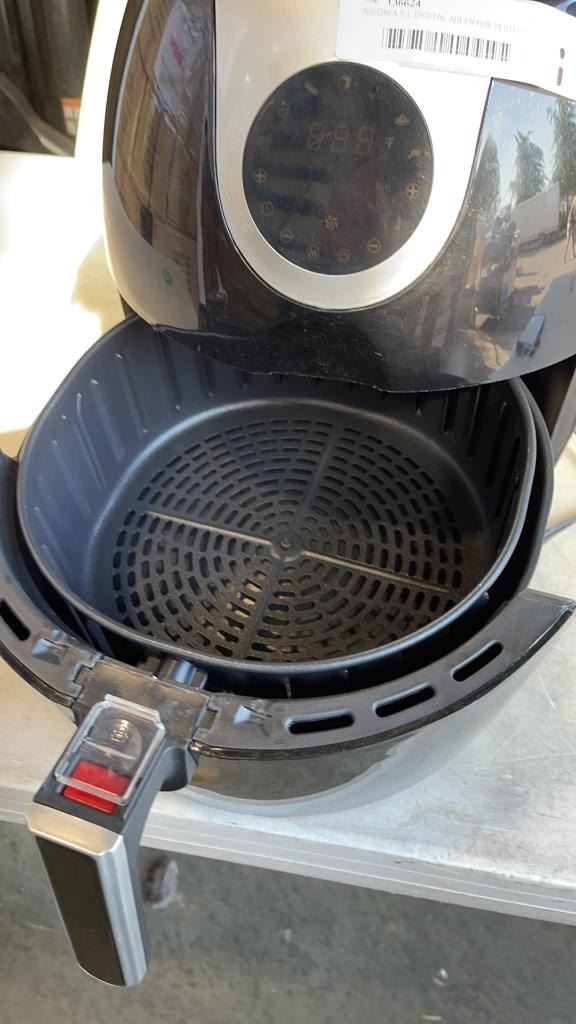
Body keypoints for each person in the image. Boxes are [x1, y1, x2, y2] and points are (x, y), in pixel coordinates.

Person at [564, 194, 576, 262]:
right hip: (572, 222)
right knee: (572, 239)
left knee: (571, 239)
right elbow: (575, 214)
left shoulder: (574, 202)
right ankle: (568, 255)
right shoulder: (575, 204)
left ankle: (566, 256)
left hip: (570, 222)